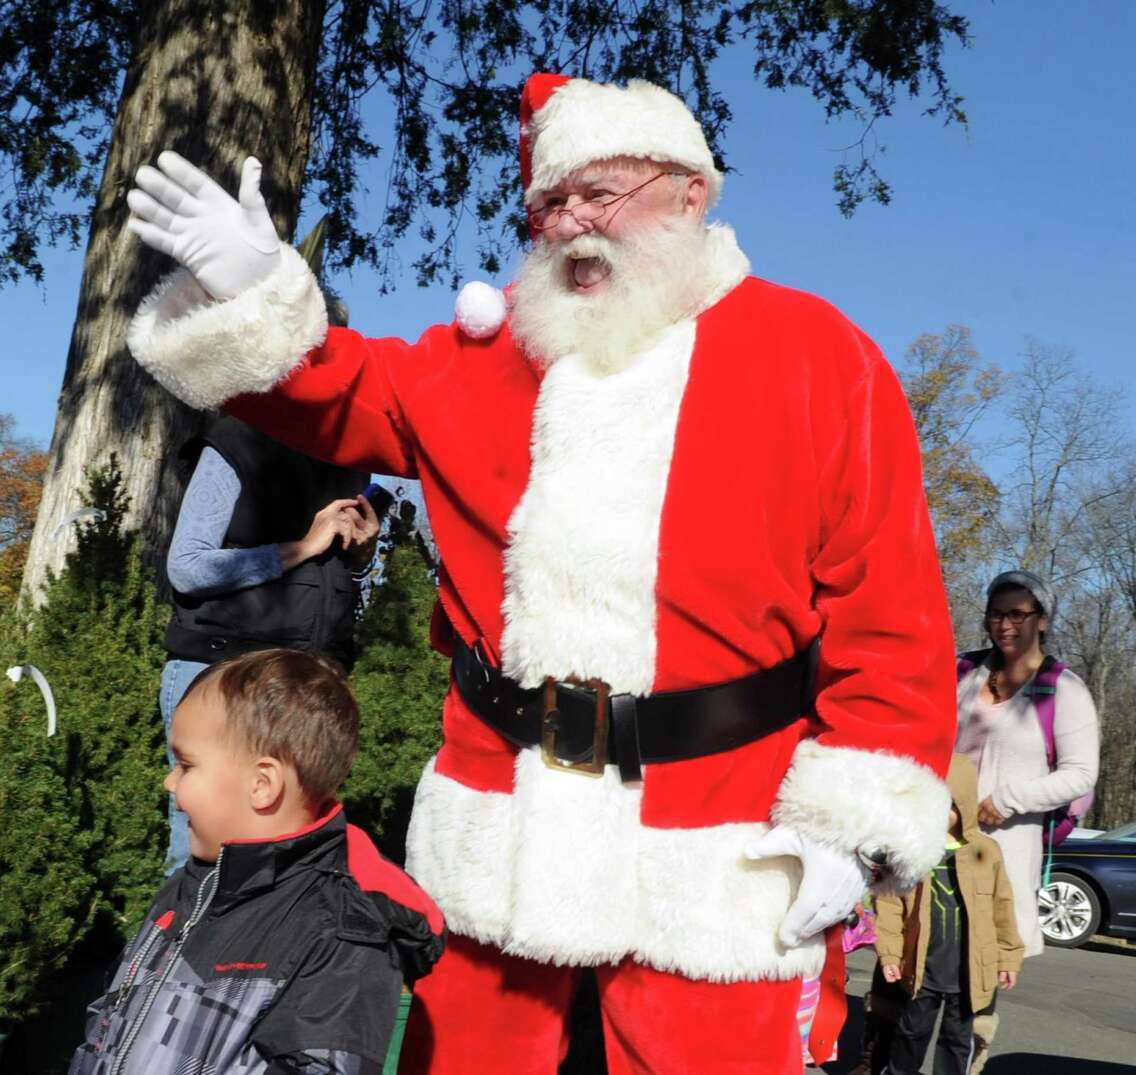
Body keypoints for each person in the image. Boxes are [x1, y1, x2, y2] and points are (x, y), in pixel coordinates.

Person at [124, 73, 957, 1074]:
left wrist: (845, 834)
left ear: (691, 191)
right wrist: (251, 292)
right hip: (499, 828)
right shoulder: (494, 351)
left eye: (598, 194)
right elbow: (342, 392)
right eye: (549, 204)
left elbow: (891, 616)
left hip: (722, 837)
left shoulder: (819, 357)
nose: (572, 224)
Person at [68, 648, 446, 1074]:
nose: (168, 782)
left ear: (262, 785)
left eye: (186, 765)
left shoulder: (340, 933)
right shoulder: (188, 888)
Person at [159, 413, 380, 868]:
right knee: (201, 858)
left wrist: (361, 556)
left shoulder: (352, 455)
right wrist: (301, 547)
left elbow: (341, 584)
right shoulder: (235, 440)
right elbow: (187, 566)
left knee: (290, 861)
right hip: (220, 676)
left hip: (304, 680)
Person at [954, 569, 1099, 1069]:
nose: (1005, 624)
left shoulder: (1063, 688)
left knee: (982, 965)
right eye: (997, 612)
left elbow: (1081, 773)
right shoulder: (963, 672)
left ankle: (972, 1056)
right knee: (918, 948)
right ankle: (887, 1053)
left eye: (1019, 613)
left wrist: (1010, 799)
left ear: (1042, 619)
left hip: (1005, 849)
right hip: (940, 839)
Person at [873, 754, 1024, 1075]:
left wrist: (1008, 957)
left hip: (969, 972)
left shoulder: (986, 851)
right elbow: (889, 905)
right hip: (921, 968)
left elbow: (1002, 906)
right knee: (910, 1034)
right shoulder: (908, 850)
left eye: (948, 804)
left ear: (964, 804)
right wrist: (889, 954)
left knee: (957, 1040)